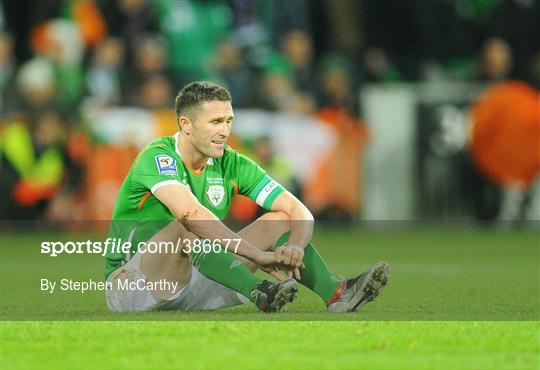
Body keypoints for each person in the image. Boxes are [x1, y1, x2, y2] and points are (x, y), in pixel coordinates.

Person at [104, 81, 389, 313]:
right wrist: (256, 256)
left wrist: (296, 246)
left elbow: (297, 209)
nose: (224, 131)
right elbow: (192, 216)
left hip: (195, 279)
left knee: (278, 220)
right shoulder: (158, 156)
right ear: (186, 124)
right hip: (133, 286)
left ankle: (337, 294)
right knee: (186, 226)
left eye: (228, 121)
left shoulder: (231, 162)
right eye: (215, 121)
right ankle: (258, 291)